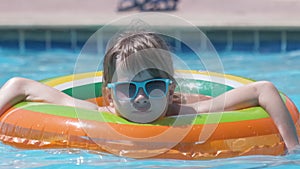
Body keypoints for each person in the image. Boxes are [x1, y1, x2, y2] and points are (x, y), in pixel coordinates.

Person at [0, 31, 298, 152]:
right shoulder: (95, 114)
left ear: (170, 92)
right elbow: (18, 85)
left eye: (153, 86)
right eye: (129, 88)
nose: (141, 97)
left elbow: (264, 90)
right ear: (109, 95)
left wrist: (292, 151)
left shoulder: (190, 113)